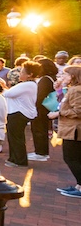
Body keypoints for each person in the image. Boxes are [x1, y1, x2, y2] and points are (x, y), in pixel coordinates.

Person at [50, 66, 81, 197]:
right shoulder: (72, 89)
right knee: (75, 158)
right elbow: (62, 101)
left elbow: (78, 111)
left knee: (71, 158)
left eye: (65, 75)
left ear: (72, 76)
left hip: (74, 129)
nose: (62, 77)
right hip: (71, 128)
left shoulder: (76, 90)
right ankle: (78, 185)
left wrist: (58, 113)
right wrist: (58, 88)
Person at [3, 61, 40, 167]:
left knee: (16, 137)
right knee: (15, 137)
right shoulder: (29, 84)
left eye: (22, 72)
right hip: (19, 113)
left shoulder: (27, 85)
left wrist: (2, 87)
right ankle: (15, 158)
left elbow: (7, 93)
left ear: (30, 74)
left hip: (18, 113)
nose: (20, 74)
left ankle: (19, 160)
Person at [29, 58, 58, 162]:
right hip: (46, 108)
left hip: (41, 109)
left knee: (39, 130)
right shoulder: (51, 78)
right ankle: (41, 152)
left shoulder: (45, 79)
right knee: (41, 130)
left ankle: (41, 153)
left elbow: (40, 96)